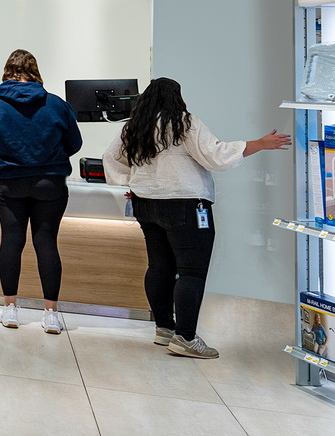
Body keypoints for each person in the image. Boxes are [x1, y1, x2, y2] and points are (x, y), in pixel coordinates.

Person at [102, 78, 289, 359]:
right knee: (191, 272)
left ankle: (165, 328)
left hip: (146, 205)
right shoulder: (184, 123)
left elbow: (110, 157)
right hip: (186, 206)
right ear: (177, 97)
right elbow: (216, 156)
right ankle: (186, 337)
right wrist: (260, 144)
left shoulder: (134, 126)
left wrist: (134, 181)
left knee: (159, 267)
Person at [0, 50, 82, 334]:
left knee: (11, 241)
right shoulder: (56, 104)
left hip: (9, 184)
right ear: (35, 71)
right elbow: (75, 143)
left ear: (7, 71)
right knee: (46, 243)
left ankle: (10, 310)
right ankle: (51, 314)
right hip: (50, 184)